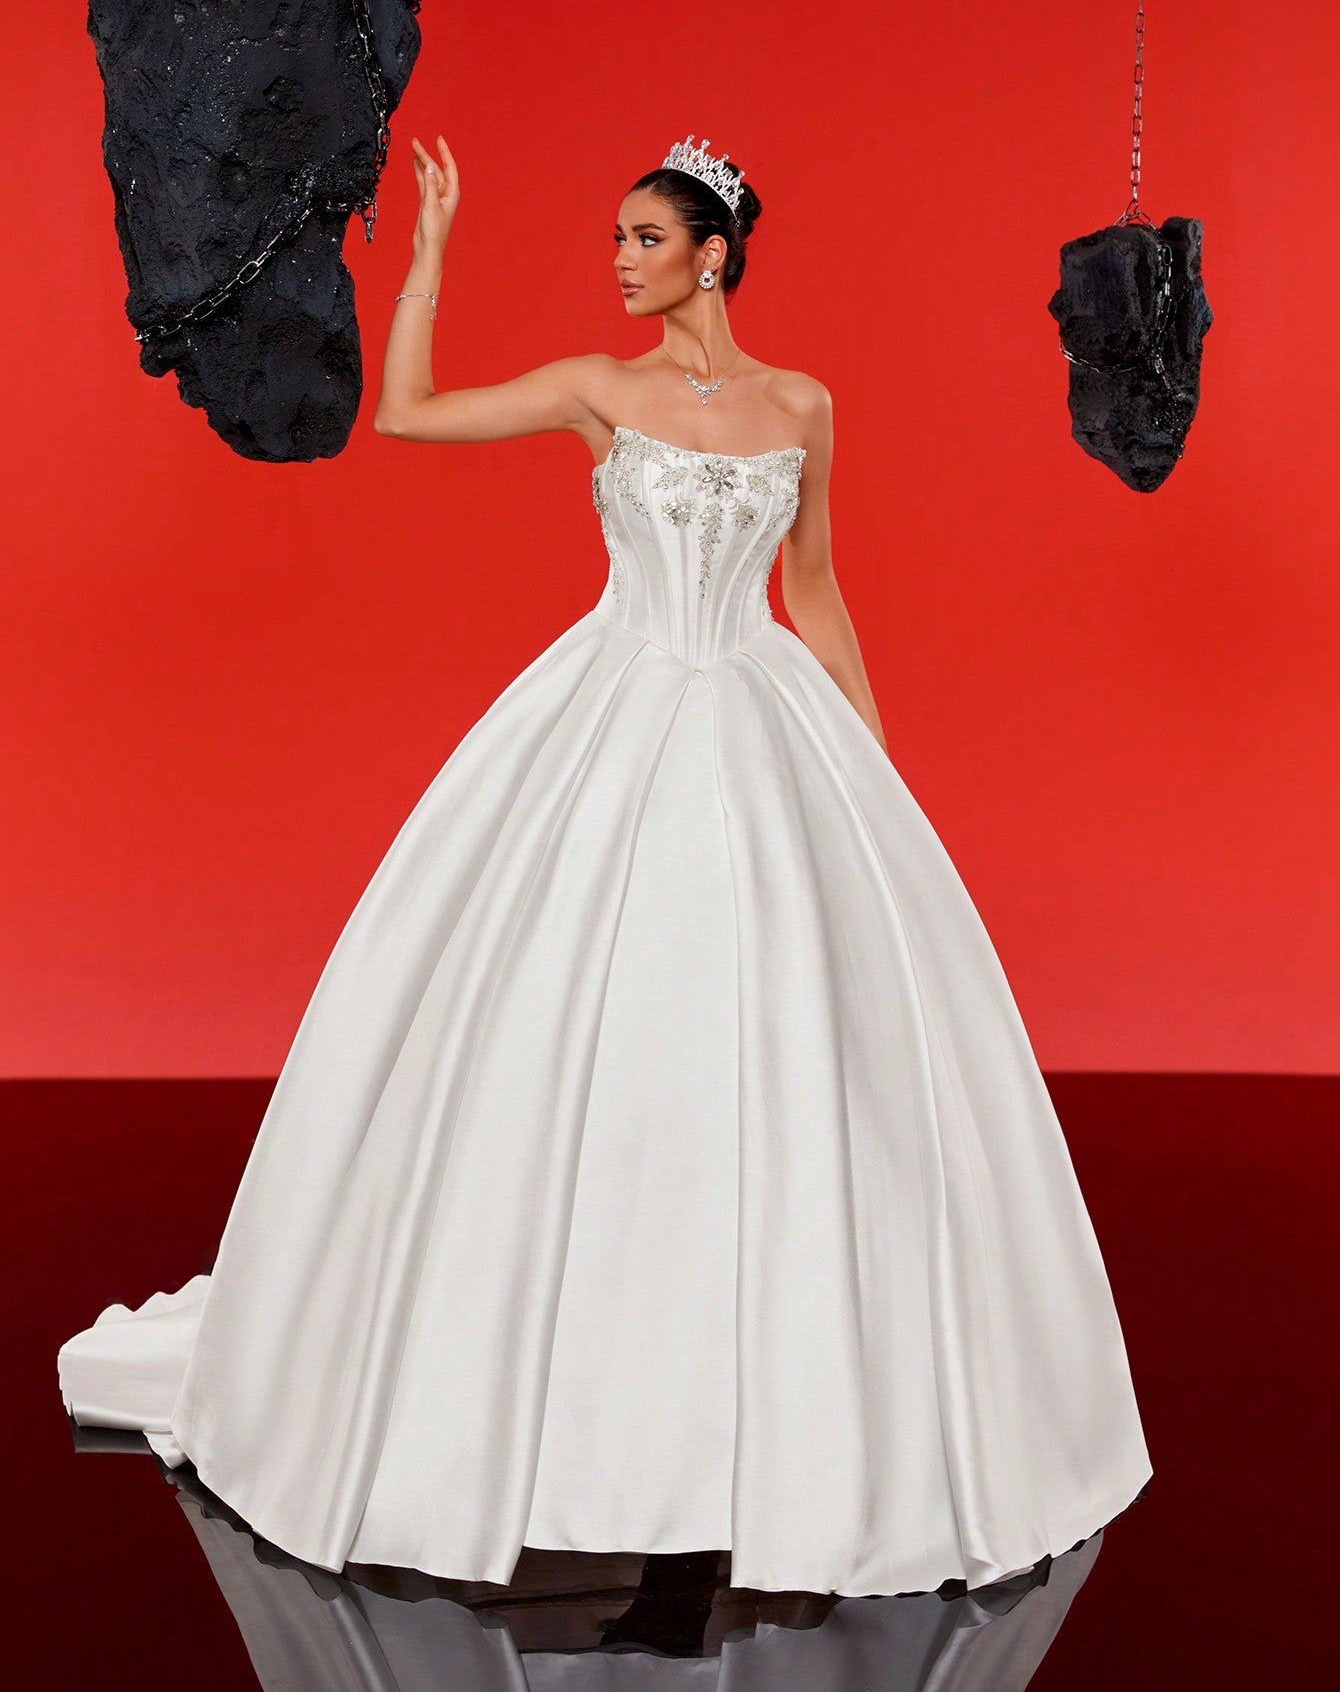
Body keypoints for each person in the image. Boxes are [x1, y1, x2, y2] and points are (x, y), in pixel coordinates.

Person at [58, 132, 1152, 1599]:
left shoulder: (803, 405)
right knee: (567, 1020)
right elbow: (409, 414)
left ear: (714, 253)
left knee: (774, 1049)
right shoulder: (598, 389)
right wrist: (430, 255)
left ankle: (776, 1414)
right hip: (615, 704)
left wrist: (875, 776)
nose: (622, 262)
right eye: (618, 239)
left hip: (761, 709)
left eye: (646, 238)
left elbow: (815, 589)